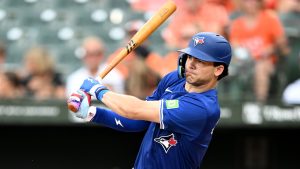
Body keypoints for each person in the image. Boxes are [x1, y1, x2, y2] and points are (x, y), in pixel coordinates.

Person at [67, 32, 232, 168]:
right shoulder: (175, 79)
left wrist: (97, 90)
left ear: (218, 70)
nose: (191, 64)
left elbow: (135, 109)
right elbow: (139, 121)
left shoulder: (203, 108)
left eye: (201, 61)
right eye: (190, 57)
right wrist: (92, 112)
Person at [229, 0, 290, 103]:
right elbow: (234, 47)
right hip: (243, 63)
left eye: (254, 1)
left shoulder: (269, 19)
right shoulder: (237, 24)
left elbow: (283, 46)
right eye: (247, 1)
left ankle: (260, 105)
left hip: (267, 61)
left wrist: (272, 48)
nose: (251, 3)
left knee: (260, 68)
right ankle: (230, 105)